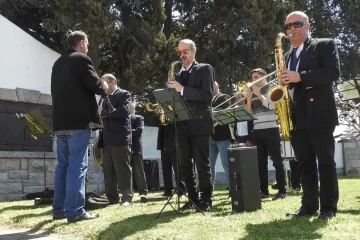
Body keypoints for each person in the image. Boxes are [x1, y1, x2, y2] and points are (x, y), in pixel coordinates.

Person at [281, 11, 340, 220]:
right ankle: (308, 206)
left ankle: (328, 208)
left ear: (308, 25)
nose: (292, 29)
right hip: (297, 117)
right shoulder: (287, 56)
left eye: (297, 24)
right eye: (288, 26)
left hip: (320, 114)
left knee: (325, 163)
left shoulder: (324, 44)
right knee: (305, 164)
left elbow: (333, 73)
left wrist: (300, 77)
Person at [51, 31, 107, 223]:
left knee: (63, 166)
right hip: (78, 123)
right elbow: (97, 86)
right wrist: (104, 85)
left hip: (60, 123)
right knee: (78, 166)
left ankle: (58, 209)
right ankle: (75, 211)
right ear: (81, 43)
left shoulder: (58, 62)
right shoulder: (81, 59)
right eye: (88, 42)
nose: (88, 46)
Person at [168, 39, 215, 212]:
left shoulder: (205, 69)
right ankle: (193, 198)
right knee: (184, 165)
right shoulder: (178, 74)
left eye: (185, 52)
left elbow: (207, 96)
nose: (182, 56)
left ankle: (206, 200)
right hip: (182, 124)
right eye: (179, 53)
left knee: (202, 163)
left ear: (194, 51)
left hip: (200, 122)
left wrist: (182, 89)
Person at [245, 68, 287, 201]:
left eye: (256, 76)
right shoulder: (252, 91)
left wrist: (258, 94)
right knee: (260, 162)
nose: (253, 80)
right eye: (252, 77)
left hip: (271, 128)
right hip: (257, 130)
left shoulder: (271, 88)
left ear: (264, 77)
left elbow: (271, 106)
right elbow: (249, 113)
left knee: (277, 160)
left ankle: (282, 190)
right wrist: (249, 99)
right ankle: (263, 191)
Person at [100, 74, 133, 206]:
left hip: (120, 137)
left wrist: (103, 113)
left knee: (123, 169)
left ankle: (126, 197)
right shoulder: (104, 98)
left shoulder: (124, 94)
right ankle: (112, 198)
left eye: (103, 83)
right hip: (107, 138)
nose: (101, 86)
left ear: (112, 82)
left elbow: (124, 111)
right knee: (108, 171)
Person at [210, 81, 233, 189]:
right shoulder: (207, 99)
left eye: (212, 85)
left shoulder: (224, 97)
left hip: (223, 135)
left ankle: (231, 188)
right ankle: (209, 189)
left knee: (226, 164)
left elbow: (224, 111)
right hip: (211, 136)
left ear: (217, 86)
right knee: (209, 165)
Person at [130, 102, 148, 198]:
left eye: (131, 106)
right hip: (125, 148)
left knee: (139, 171)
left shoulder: (139, 118)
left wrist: (126, 131)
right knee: (127, 171)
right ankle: (129, 192)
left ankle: (143, 192)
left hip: (136, 147)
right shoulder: (122, 119)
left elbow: (139, 131)